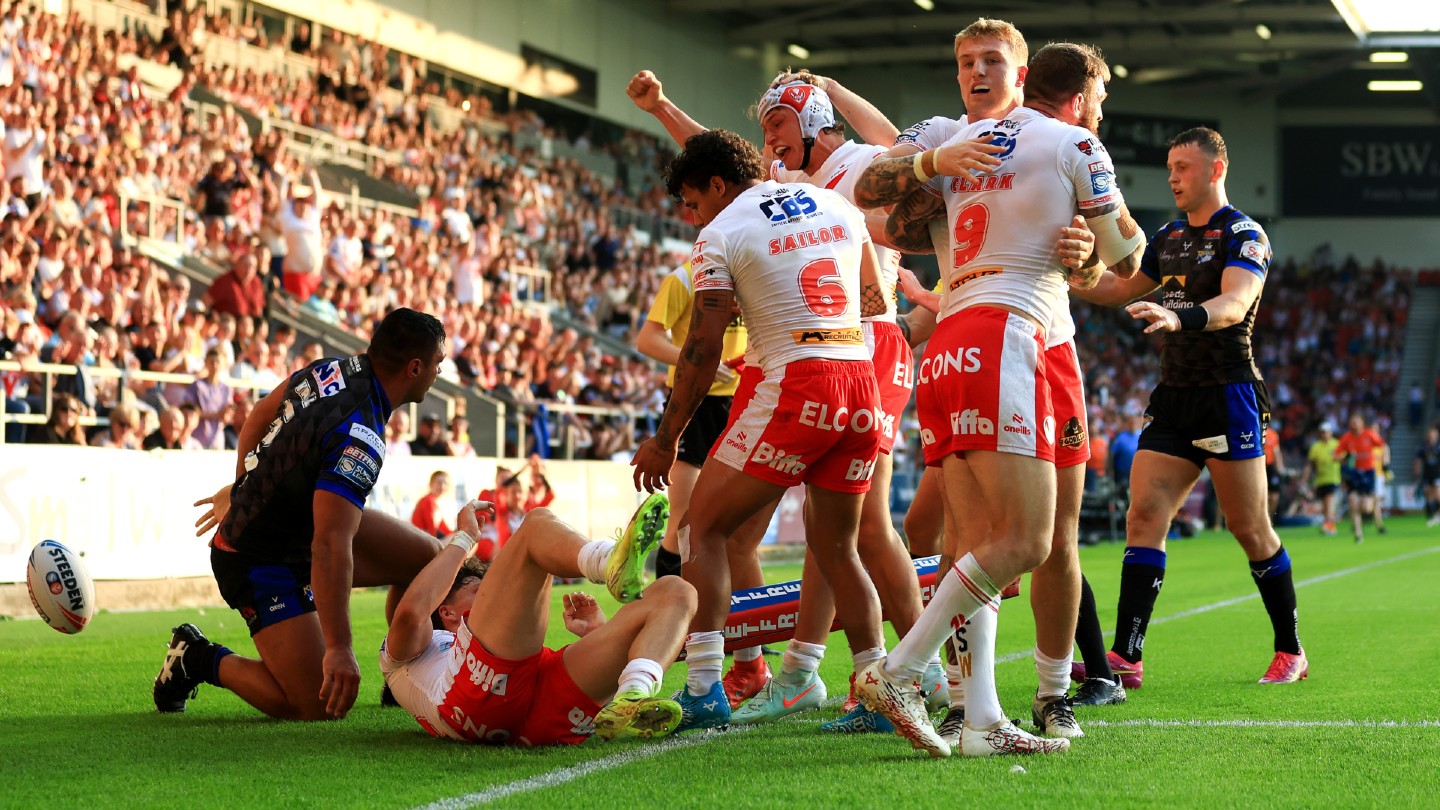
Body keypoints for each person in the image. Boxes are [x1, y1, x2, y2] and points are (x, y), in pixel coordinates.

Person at [627, 69, 945, 728]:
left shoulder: (721, 233)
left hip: (797, 380)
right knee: (839, 545)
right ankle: (881, 683)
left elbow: (701, 348)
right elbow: (872, 299)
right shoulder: (834, 204)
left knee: (701, 528)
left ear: (717, 187)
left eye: (692, 201)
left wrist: (664, 438)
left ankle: (708, 685)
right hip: (861, 375)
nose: (691, 216)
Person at [856, 41, 1143, 758]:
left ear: (1021, 75)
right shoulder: (1065, 143)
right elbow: (1131, 258)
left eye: (989, 61)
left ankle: (985, 715)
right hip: (1007, 336)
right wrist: (1098, 251)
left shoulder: (962, 144)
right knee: (1025, 541)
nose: (976, 73)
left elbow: (890, 218)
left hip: (972, 340)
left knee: (1001, 540)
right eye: (966, 61)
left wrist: (1078, 259)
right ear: (1078, 95)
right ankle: (902, 672)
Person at [1066, 126, 1307, 692]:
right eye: (1170, 168)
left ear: (1216, 169)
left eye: (1183, 167)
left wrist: (1179, 316)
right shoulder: (1168, 236)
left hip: (1228, 396)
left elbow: (1235, 303)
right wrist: (1069, 273)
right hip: (1174, 396)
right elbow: (1118, 289)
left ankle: (1290, 649)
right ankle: (1126, 657)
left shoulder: (1243, 233)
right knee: (1144, 517)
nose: (1172, 177)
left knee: (1250, 528)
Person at [154, 308, 450, 721]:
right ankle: (196, 657)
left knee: (430, 561)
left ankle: (405, 677)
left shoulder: (330, 368)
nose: (440, 371)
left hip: (300, 531)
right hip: (260, 558)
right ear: (414, 367)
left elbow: (259, 416)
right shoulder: (361, 436)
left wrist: (246, 488)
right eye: (438, 362)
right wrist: (340, 648)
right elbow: (329, 545)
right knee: (316, 703)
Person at [382, 494, 693, 744]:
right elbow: (410, 613)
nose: (499, 594)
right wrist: (464, 538)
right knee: (535, 525)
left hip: (533, 708)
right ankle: (607, 561)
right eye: (480, 590)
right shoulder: (407, 655)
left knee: (676, 592)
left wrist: (596, 632)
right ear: (446, 611)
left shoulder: (486, 644)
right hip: (473, 701)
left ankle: (632, 695)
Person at [1334, 413, 1386, 542]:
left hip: (1368, 473)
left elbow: (1382, 445)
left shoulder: (1369, 434)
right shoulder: (1346, 438)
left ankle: (1372, 505)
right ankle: (1358, 534)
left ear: (1362, 423)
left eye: (1356, 422)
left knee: (1366, 508)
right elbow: (1336, 455)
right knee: (1353, 503)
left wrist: (1385, 462)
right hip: (1354, 474)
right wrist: (1344, 459)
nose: (1354, 424)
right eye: (1352, 422)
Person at [1303, 421, 1342, 535]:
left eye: (1326, 432)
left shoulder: (1336, 444)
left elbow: (1344, 459)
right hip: (1320, 480)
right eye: (1322, 432)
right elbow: (1310, 464)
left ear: (1330, 433)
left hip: (1333, 478)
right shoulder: (1316, 447)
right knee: (1325, 505)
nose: (1324, 434)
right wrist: (1305, 479)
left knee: (1329, 501)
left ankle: (1327, 525)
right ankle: (1331, 526)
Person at [202, 252, 267, 319]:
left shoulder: (256, 283)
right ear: (237, 265)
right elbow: (204, 304)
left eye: (252, 267)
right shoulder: (225, 281)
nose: (248, 270)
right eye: (245, 266)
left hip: (249, 323)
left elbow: (259, 310)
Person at [411, 471, 453, 539]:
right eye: (439, 483)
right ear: (431, 484)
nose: (442, 486)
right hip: (421, 540)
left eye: (445, 483)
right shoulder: (427, 501)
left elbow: (445, 529)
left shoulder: (435, 504)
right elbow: (431, 530)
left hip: (427, 538)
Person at [1415, 425, 1440, 528]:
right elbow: (1418, 460)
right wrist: (1417, 473)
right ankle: (1431, 516)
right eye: (1430, 434)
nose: (1431, 436)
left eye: (1433, 434)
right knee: (1429, 496)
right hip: (1427, 475)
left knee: (1438, 495)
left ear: (1437, 435)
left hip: (1438, 474)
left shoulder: (1438, 446)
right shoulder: (1424, 447)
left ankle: (1437, 515)